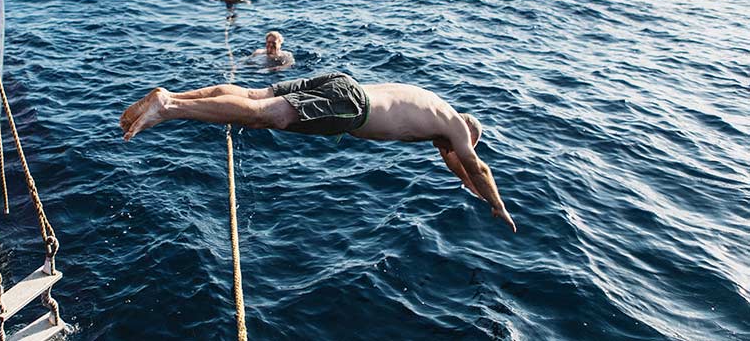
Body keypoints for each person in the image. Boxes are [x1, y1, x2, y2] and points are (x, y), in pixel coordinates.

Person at [120, 72, 516, 232]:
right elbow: (473, 166)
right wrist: (497, 204)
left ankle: (172, 96)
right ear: (464, 132)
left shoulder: (434, 105)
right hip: (353, 108)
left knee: (254, 95)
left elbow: (460, 169)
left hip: (344, 83)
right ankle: (170, 106)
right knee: (263, 116)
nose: (449, 152)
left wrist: (476, 192)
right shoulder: (455, 127)